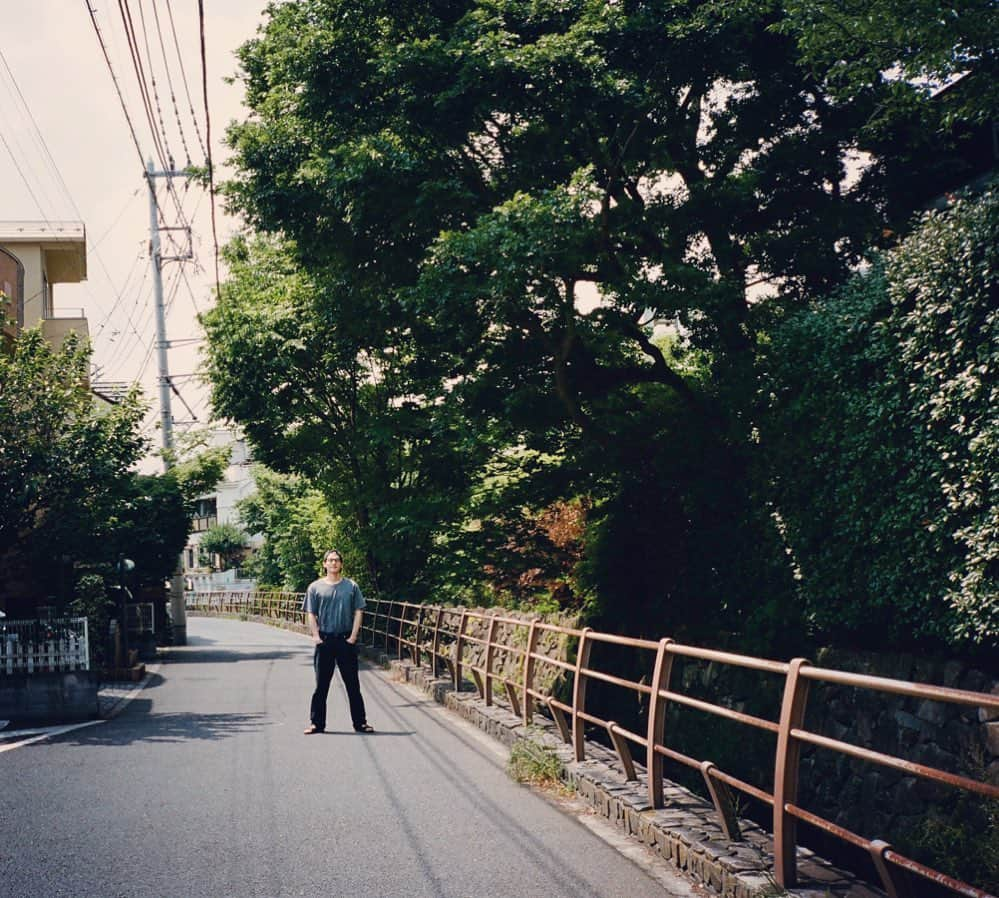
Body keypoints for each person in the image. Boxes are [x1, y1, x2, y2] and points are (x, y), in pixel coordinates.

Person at [302, 549, 374, 734]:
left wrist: (353, 637)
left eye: (337, 560)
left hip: (345, 640)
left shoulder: (351, 586)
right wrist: (316, 636)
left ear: (341, 564)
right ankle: (316, 723)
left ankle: (360, 723)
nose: (333, 563)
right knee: (321, 685)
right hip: (325, 640)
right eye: (330, 560)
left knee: (353, 685)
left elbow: (359, 610)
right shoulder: (315, 587)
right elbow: (311, 613)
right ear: (324, 564)